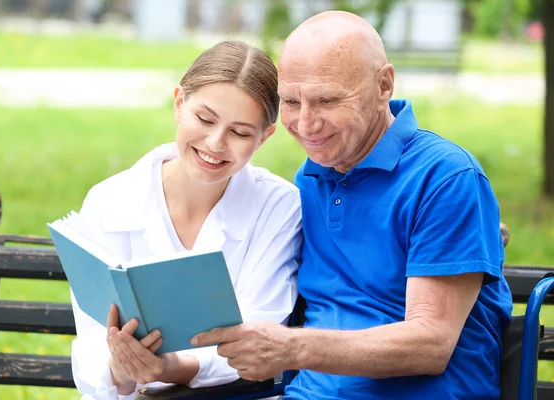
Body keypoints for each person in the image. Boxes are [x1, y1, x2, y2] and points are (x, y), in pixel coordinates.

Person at [192, 11, 513, 399]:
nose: (306, 124)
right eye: (291, 101)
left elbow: (430, 344)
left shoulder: (445, 177)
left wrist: (292, 347)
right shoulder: (310, 179)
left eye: (326, 99)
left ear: (384, 85)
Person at [70, 40, 302, 400]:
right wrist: (121, 366)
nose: (215, 143)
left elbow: (260, 336)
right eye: (205, 119)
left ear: (264, 137)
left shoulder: (278, 205)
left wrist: (171, 367)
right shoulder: (108, 201)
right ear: (179, 103)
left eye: (240, 133)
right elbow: (91, 343)